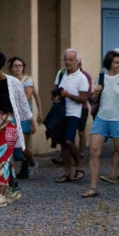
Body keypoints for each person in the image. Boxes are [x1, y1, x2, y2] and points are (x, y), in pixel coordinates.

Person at [82, 51, 119, 198]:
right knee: (94, 151)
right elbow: (94, 100)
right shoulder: (100, 77)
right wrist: (96, 92)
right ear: (109, 63)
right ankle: (93, 187)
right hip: (101, 119)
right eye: (116, 62)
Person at [0, 52, 32, 207]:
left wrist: (30, 121)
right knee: (0, 158)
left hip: (9, 122)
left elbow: (23, 102)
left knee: (2, 157)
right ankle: (14, 188)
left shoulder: (13, 82)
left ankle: (0, 195)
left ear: (1, 69)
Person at [53, 48, 89, 183]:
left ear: (76, 61)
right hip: (61, 112)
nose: (68, 63)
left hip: (74, 113)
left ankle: (79, 164)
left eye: (71, 60)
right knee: (63, 143)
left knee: (69, 140)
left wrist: (69, 96)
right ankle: (67, 172)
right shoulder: (61, 73)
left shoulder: (82, 77)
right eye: (66, 60)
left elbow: (84, 99)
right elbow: (56, 91)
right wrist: (56, 97)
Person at [9, 57, 41, 179]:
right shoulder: (8, 80)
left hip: (24, 115)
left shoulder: (27, 80)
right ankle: (9, 172)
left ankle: (32, 163)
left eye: (20, 65)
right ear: (11, 67)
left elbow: (27, 98)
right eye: (15, 65)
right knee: (10, 144)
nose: (18, 68)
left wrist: (39, 114)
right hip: (11, 114)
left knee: (23, 147)